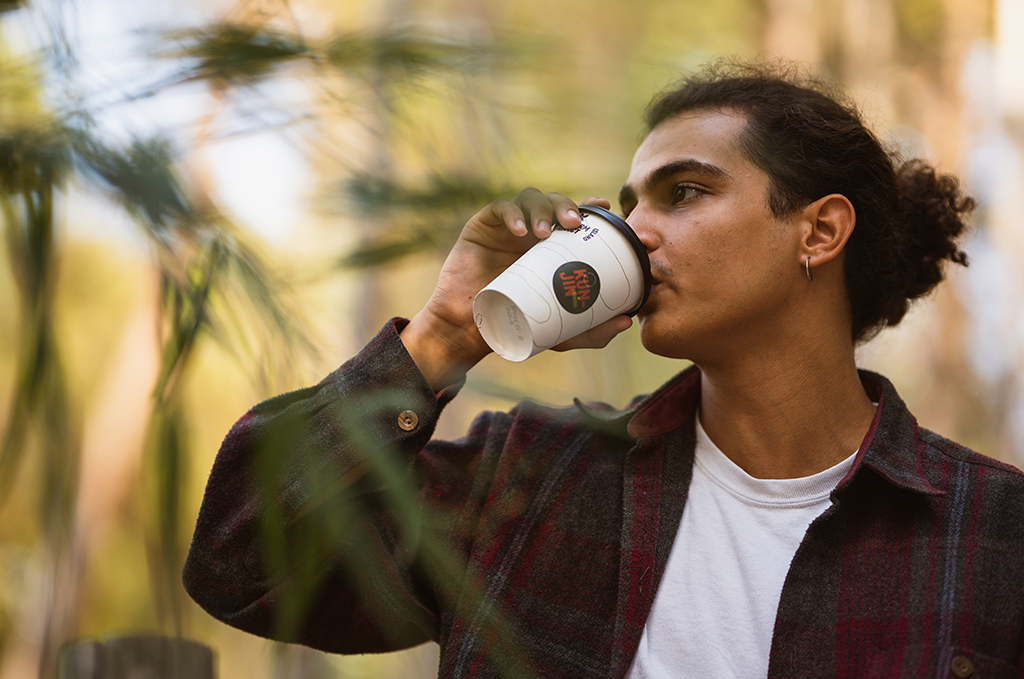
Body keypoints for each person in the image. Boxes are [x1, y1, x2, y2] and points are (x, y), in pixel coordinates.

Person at [183, 60, 1024, 678]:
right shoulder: (530, 479)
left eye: (683, 192)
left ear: (818, 231)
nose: (634, 232)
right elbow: (242, 560)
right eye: (630, 206)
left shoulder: (995, 533)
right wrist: (441, 337)